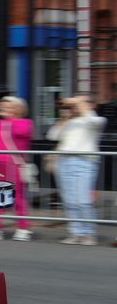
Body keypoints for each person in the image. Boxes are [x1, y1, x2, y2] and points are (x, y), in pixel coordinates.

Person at [48, 94, 106, 246]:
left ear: (90, 105)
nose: (74, 106)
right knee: (69, 200)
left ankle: (89, 233)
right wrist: (64, 118)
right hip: (64, 161)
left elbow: (92, 120)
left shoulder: (95, 120)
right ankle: (76, 232)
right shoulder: (70, 122)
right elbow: (53, 135)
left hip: (84, 161)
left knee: (82, 200)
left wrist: (79, 103)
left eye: (81, 102)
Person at [0, 96, 33, 241]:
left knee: (18, 197)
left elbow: (21, 132)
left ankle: (23, 228)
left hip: (14, 164)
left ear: (19, 109)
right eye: (3, 105)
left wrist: (6, 120)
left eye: (9, 106)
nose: (4, 108)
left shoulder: (25, 122)